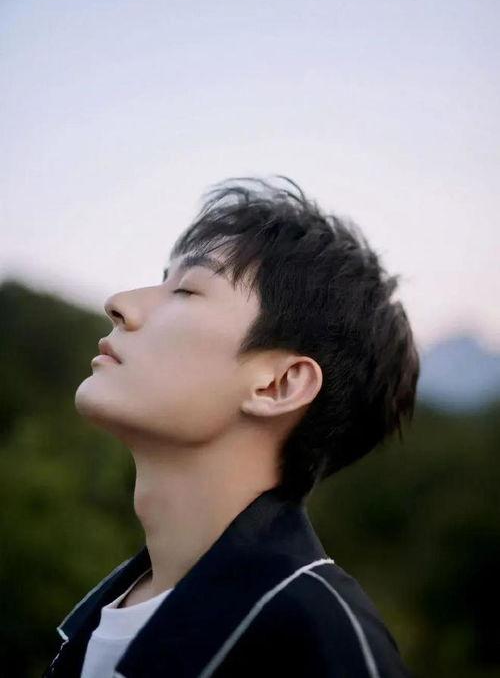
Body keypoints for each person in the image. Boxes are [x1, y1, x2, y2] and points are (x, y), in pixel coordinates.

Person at [43, 176, 419, 677]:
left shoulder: (323, 644)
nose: (120, 302)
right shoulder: (95, 619)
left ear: (278, 385)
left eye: (186, 290)